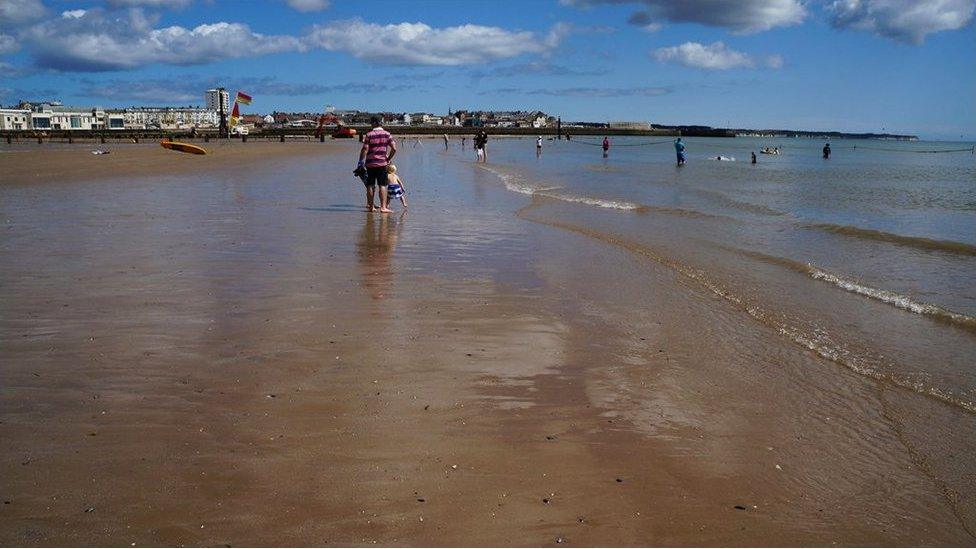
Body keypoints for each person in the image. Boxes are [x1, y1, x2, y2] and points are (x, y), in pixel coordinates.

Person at [358, 116, 397, 213]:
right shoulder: (387, 134)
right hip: (382, 164)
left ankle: (371, 207)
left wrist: (360, 162)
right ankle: (383, 207)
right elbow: (394, 148)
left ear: (374, 123)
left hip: (370, 164)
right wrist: (388, 158)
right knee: (382, 185)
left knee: (370, 185)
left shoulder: (369, 134)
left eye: (371, 123)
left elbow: (365, 149)